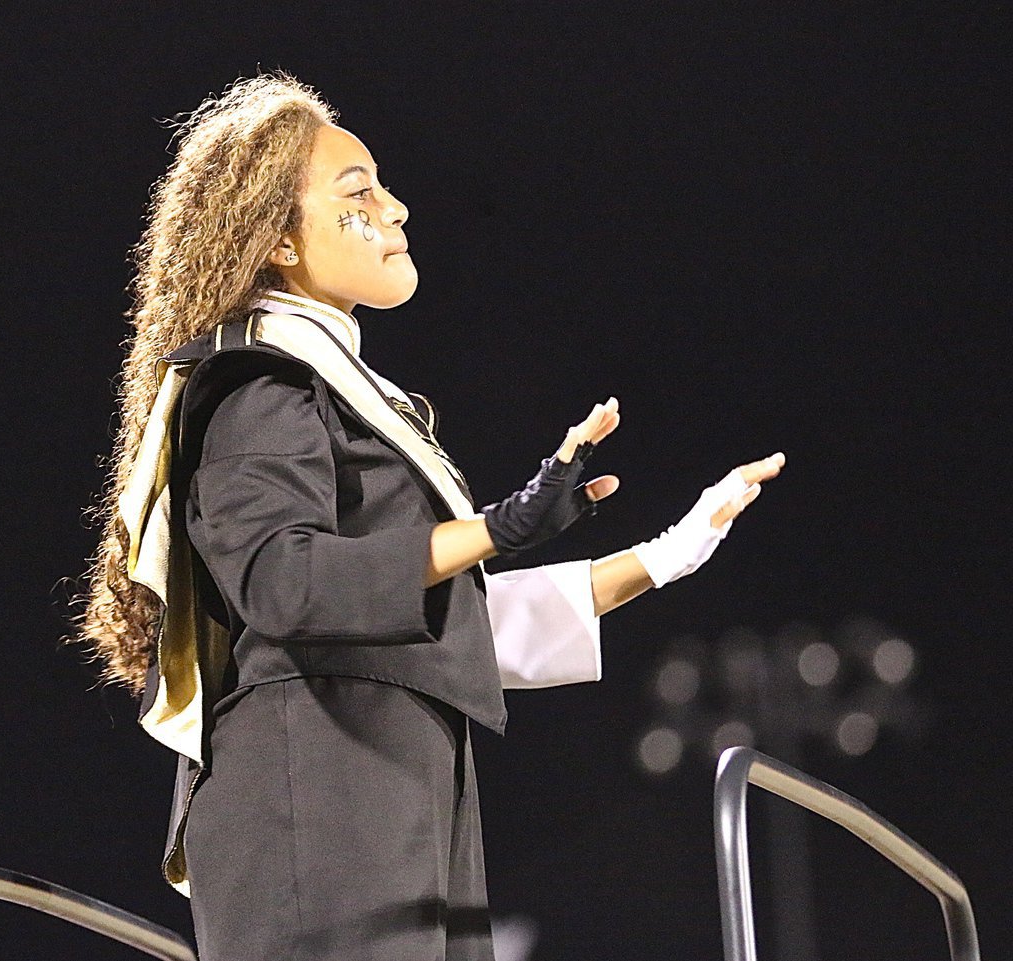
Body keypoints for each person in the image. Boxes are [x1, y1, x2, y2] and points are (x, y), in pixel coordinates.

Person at [76, 73, 785, 961]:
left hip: (391, 781)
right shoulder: (257, 384)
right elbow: (285, 583)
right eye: (357, 191)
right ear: (281, 242)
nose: (396, 207)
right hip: (315, 791)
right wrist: (496, 526)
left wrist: (668, 554)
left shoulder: (348, 394)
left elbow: (441, 622)